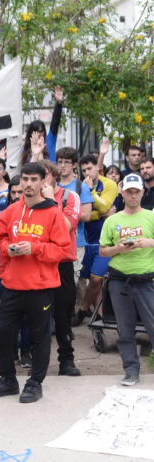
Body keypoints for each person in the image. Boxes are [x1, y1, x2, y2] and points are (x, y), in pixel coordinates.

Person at [0, 162, 72, 403]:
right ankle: (8, 379)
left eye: (34, 179)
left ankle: (35, 383)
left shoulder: (54, 213)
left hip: (41, 288)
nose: (28, 184)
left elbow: (64, 251)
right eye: (25, 179)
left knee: (39, 337)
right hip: (12, 285)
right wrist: (7, 249)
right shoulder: (9, 212)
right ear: (19, 181)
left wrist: (34, 248)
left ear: (44, 182)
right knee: (3, 334)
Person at [98, 173, 154, 386]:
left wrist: (149, 242)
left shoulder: (151, 216)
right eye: (129, 191)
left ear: (142, 192)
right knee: (125, 328)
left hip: (147, 280)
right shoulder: (113, 220)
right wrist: (118, 248)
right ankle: (131, 370)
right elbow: (103, 251)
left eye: (136, 191)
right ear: (122, 192)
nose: (132, 195)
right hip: (119, 281)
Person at [37, 159, 81, 376]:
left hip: (62, 264)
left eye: (44, 174)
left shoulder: (68, 197)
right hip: (39, 264)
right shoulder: (32, 200)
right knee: (39, 316)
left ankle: (66, 360)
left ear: (53, 175)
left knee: (63, 315)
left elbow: (66, 226)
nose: (40, 179)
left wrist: (49, 202)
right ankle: (39, 363)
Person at [75, 154, 118, 324]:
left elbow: (104, 206)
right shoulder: (79, 185)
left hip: (105, 240)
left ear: (97, 168)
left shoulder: (109, 184)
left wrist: (91, 190)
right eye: (83, 169)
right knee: (91, 280)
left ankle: (83, 310)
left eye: (89, 168)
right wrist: (97, 215)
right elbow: (82, 214)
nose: (87, 172)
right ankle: (99, 315)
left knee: (96, 278)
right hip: (85, 239)